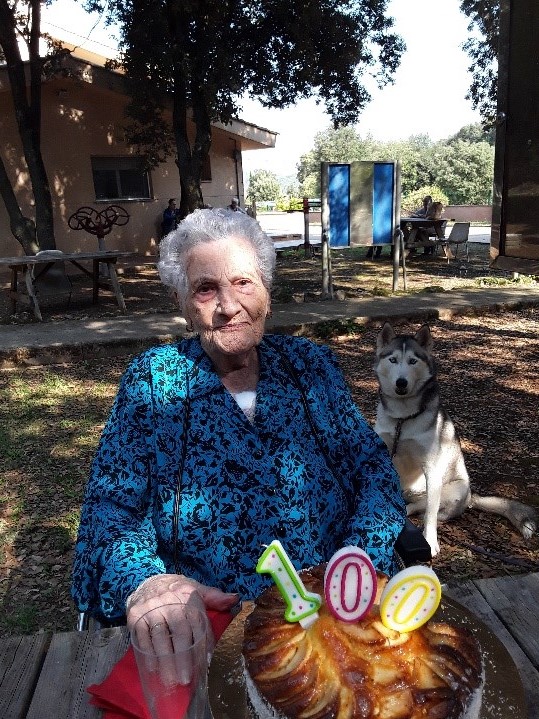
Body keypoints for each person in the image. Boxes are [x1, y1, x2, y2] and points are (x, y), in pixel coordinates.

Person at [71, 208, 406, 645]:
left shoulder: (311, 367)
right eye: (206, 289)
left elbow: (373, 471)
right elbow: (109, 513)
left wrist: (358, 560)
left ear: (266, 292)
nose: (229, 307)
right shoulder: (152, 382)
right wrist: (149, 585)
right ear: (182, 304)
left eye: (243, 283)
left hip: (335, 616)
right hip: (210, 630)